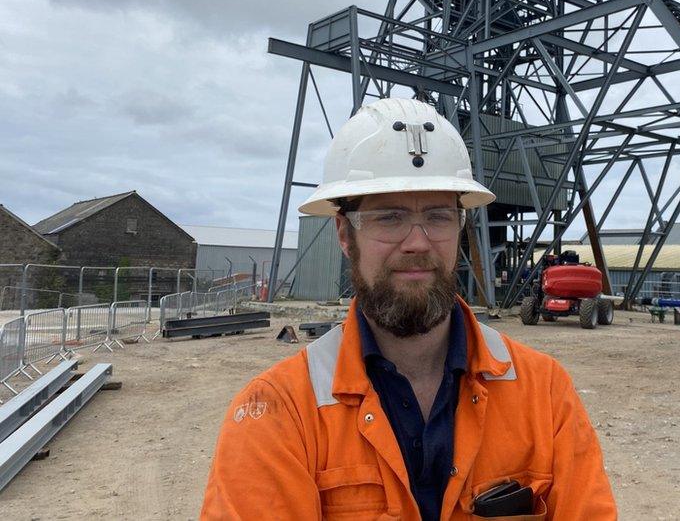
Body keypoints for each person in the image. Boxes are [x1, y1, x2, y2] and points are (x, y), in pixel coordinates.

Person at [200, 98, 616, 520]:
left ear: (460, 228)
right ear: (345, 234)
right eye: (390, 218)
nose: (417, 242)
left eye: (437, 217)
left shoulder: (543, 393)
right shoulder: (279, 411)